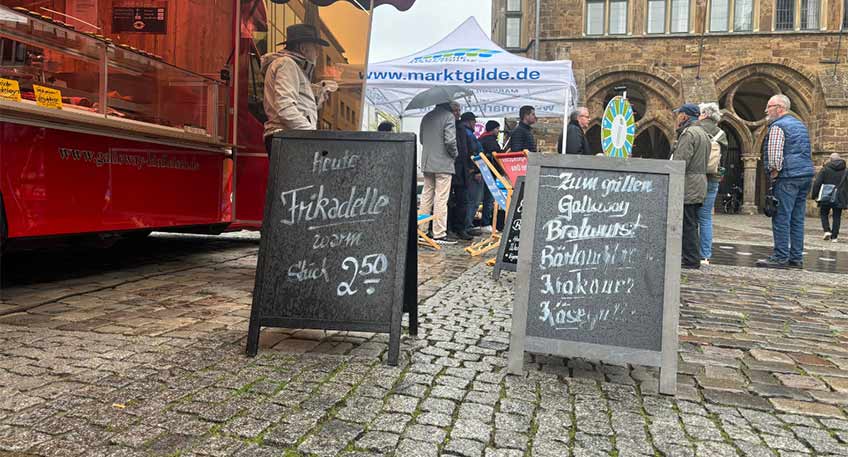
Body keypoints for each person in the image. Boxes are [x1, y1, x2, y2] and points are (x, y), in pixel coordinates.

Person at [756, 94, 815, 269]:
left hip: (788, 177)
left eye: (769, 106)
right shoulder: (800, 125)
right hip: (804, 175)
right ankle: (796, 258)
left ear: (780, 108)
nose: (766, 110)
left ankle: (780, 256)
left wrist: (774, 174)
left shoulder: (777, 126)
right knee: (797, 218)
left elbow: (775, 156)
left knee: (781, 216)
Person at [261, 24, 333, 154]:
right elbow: (285, 108)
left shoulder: (291, 66)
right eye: (315, 48)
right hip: (288, 138)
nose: (318, 53)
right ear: (303, 48)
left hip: (288, 137)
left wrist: (316, 99)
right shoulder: (287, 64)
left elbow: (291, 106)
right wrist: (311, 134)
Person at [671, 103, 710, 270]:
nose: (677, 117)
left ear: (685, 116)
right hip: (699, 182)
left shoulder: (688, 134)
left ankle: (690, 259)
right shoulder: (703, 133)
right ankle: (691, 257)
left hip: (689, 183)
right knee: (691, 221)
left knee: (688, 222)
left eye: (679, 114)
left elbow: (680, 162)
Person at [419, 102, 459, 245]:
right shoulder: (448, 116)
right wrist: (455, 154)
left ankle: (422, 230)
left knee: (426, 196)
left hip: (427, 162)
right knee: (441, 198)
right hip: (443, 163)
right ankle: (439, 233)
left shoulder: (426, 116)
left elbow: (422, 139)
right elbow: (450, 141)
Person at [696, 102, 727, 266]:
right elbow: (724, 161)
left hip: (695, 178)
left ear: (705, 114)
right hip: (713, 178)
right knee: (706, 217)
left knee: (691, 216)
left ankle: (689, 251)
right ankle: (705, 256)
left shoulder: (696, 128)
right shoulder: (721, 133)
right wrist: (718, 176)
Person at [447, 102, 472, 240]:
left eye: (459, 110)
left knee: (463, 200)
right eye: (455, 111)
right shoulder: (447, 126)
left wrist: (469, 167)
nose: (458, 113)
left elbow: (467, 148)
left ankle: (460, 228)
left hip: (462, 169)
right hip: (450, 167)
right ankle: (448, 227)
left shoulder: (462, 128)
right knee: (448, 200)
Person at [458, 112, 484, 237]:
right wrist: (476, 170)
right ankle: (467, 226)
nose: (475, 124)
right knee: (473, 200)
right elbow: (473, 153)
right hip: (472, 171)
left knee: (469, 200)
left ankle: (466, 225)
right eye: (474, 121)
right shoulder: (468, 134)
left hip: (467, 171)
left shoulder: (465, 132)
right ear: (469, 121)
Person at [811, 153, 848, 242]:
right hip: (839, 196)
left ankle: (827, 231)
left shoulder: (825, 169)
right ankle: (834, 237)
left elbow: (817, 183)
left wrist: (814, 195)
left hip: (826, 195)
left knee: (823, 213)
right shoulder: (846, 170)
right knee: (837, 216)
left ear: (830, 160)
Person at [478, 120, 503, 232]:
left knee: (480, 198)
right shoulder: (490, 140)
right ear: (493, 129)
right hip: (489, 172)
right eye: (497, 129)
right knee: (489, 198)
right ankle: (486, 223)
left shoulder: (481, 138)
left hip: (482, 171)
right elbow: (497, 153)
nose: (498, 131)